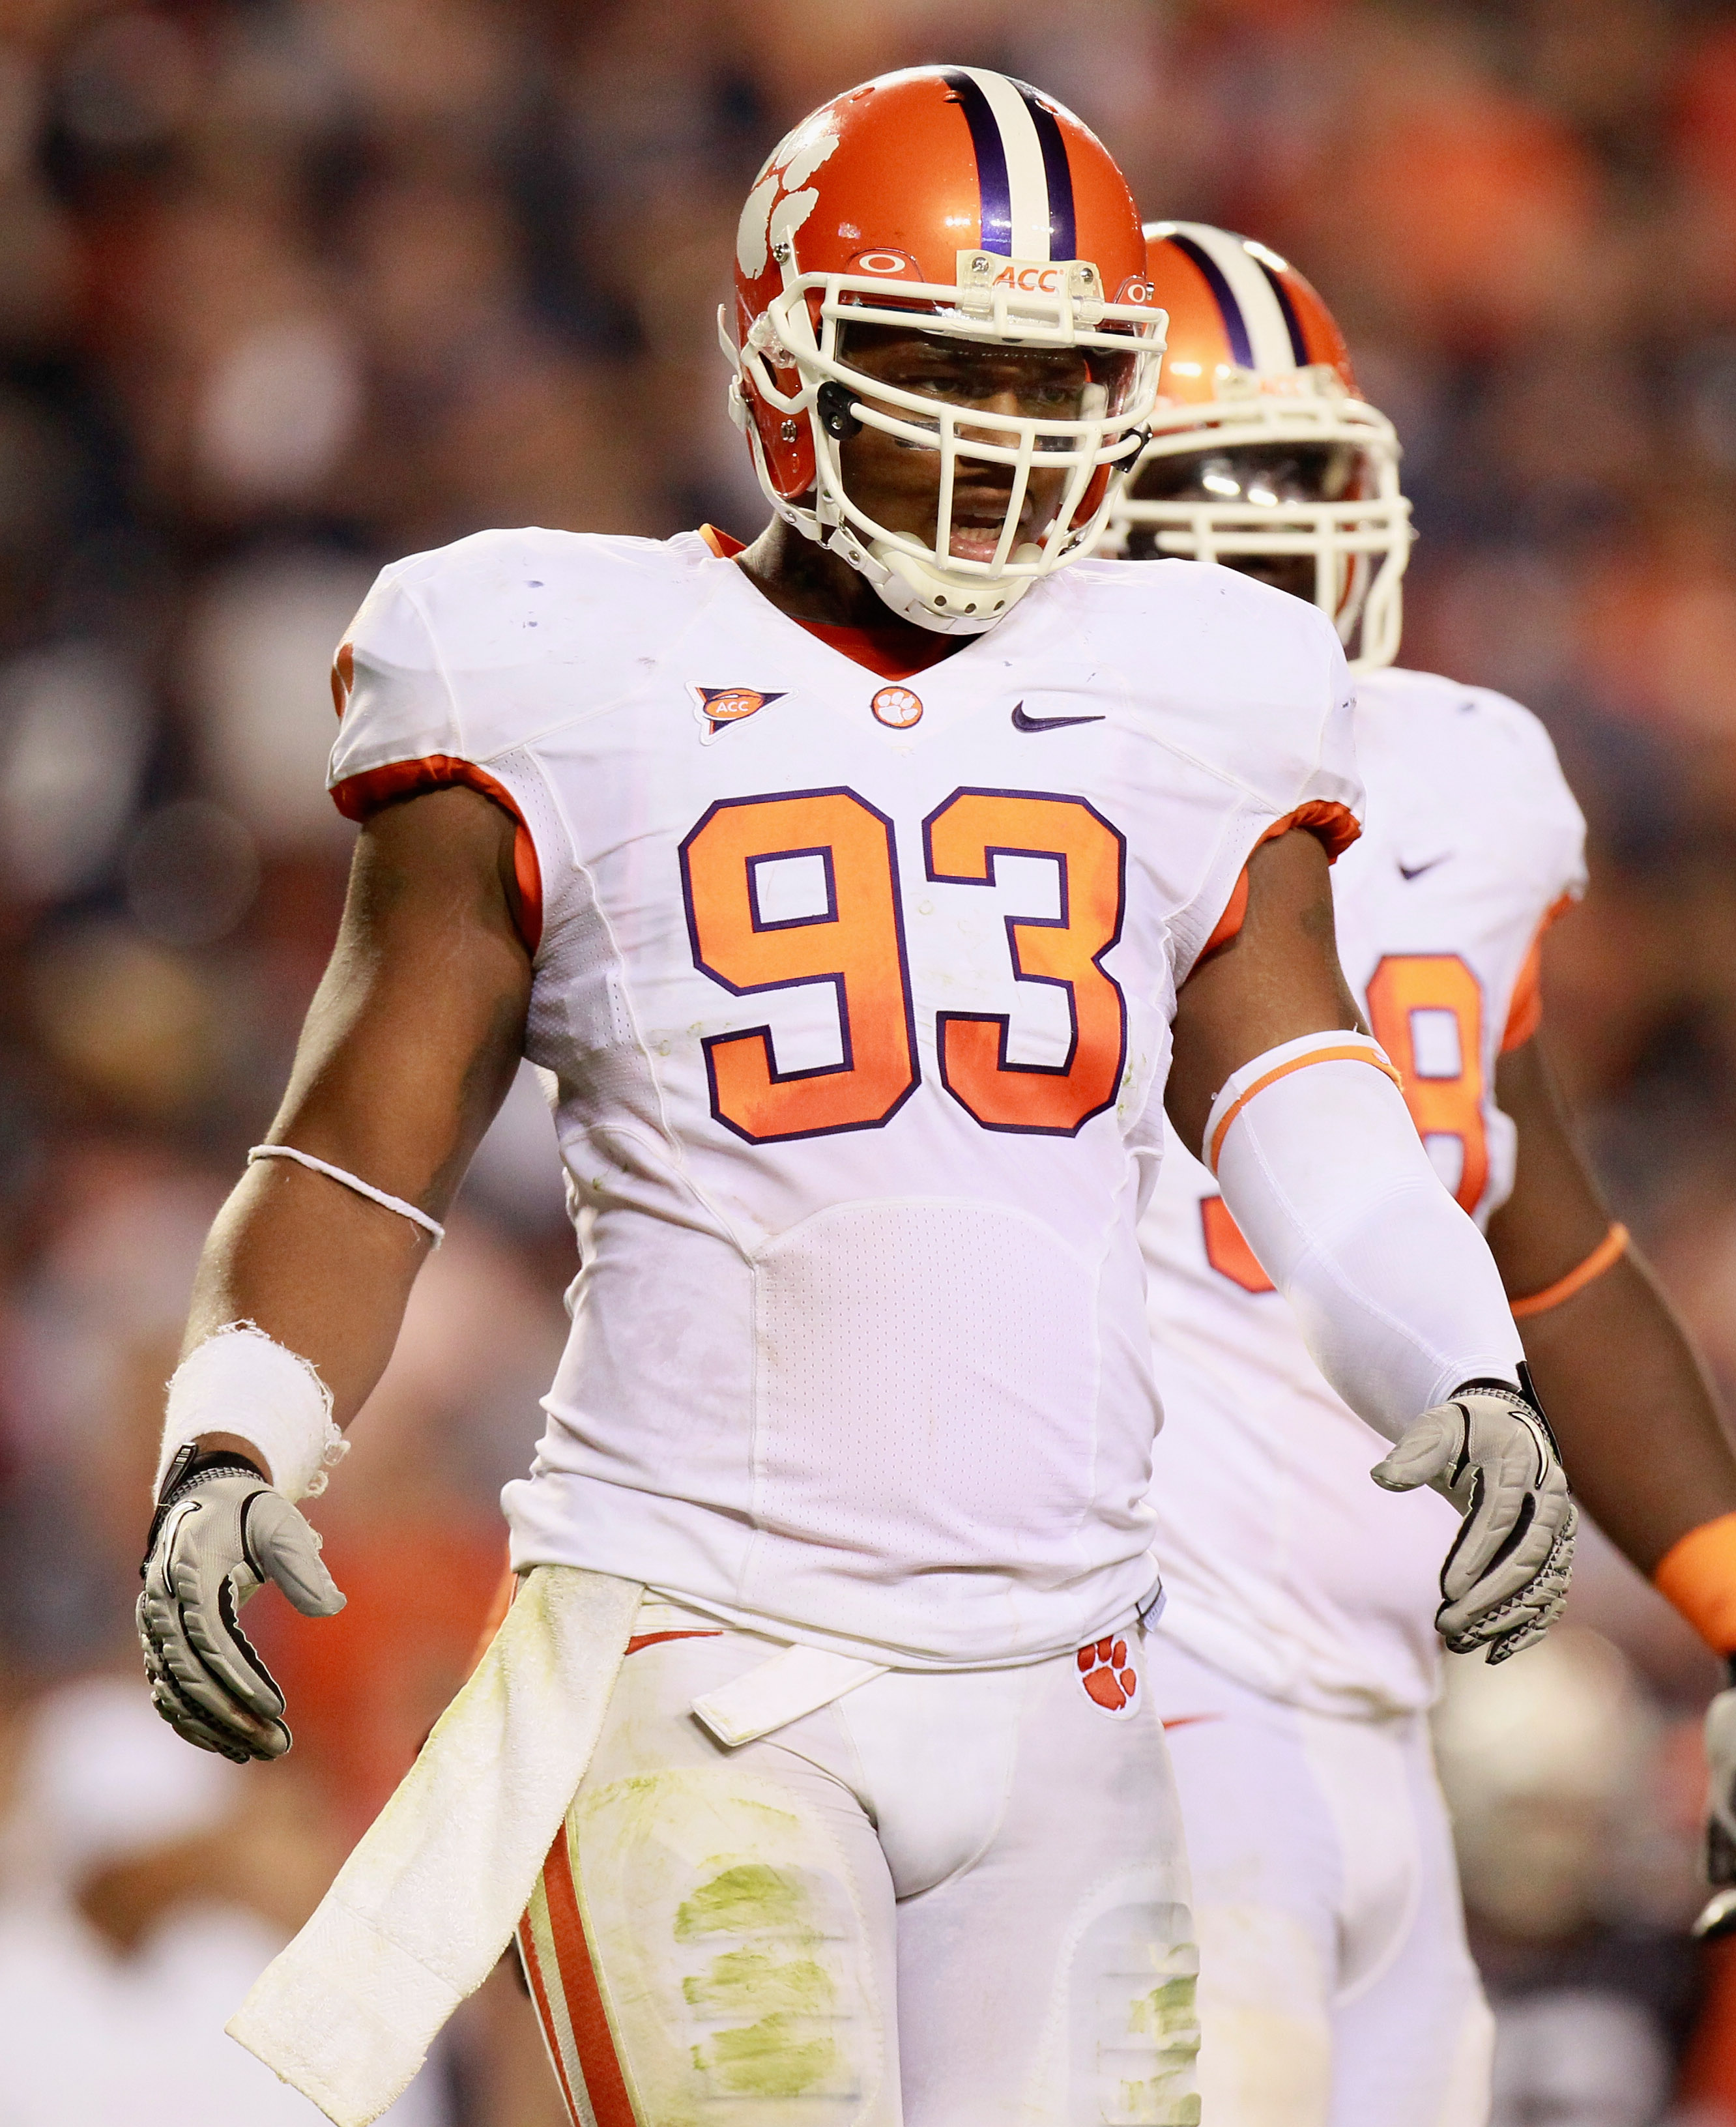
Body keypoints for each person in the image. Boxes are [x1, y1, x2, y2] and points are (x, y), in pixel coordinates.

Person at [137, 78, 1572, 2127]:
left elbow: (1304, 1088)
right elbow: (368, 1136)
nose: (1000, 434)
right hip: (702, 1667)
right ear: (785, 363)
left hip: (1081, 1684)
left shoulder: (1197, 683)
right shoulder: (556, 656)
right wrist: (236, 1428)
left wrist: (1460, 1361)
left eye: (1051, 374)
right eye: (940, 365)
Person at [1114, 219, 1736, 2127]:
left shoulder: (1465, 783)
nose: (1273, 542)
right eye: (1206, 493)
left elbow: (1544, 1244)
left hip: (1377, 1713)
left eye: (1303, 482)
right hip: (1126, 1700)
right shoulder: (999, 800)